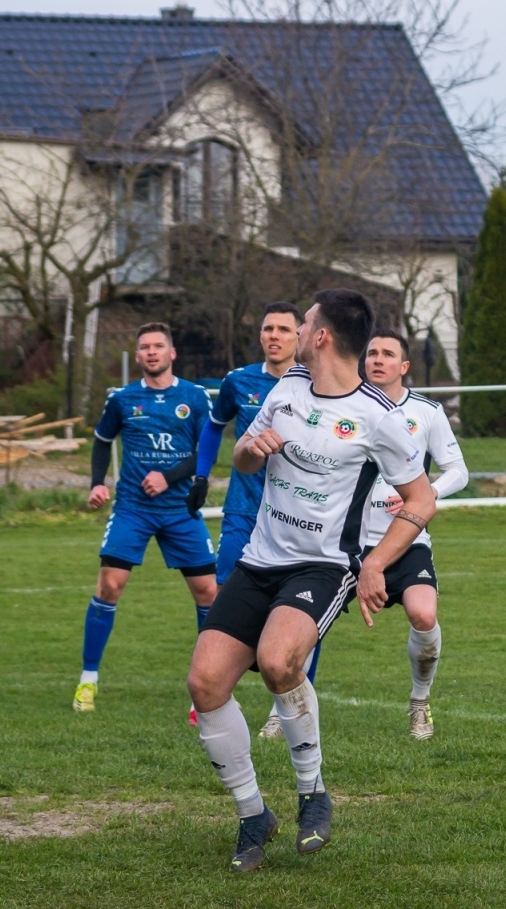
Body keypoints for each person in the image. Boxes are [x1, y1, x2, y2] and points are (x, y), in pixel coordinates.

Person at [187, 289, 436, 872]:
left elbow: (422, 501)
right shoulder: (288, 387)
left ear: (321, 335)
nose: (296, 330)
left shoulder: (380, 417)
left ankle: (312, 792)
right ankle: (253, 815)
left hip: (323, 566)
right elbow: (247, 461)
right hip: (259, 558)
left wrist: (374, 563)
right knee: (204, 683)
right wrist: (250, 447)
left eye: (304, 322)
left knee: (278, 661)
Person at [189, 302, 315, 739]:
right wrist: (202, 475)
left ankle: (289, 705)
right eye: (267, 328)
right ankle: (210, 686)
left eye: (283, 328)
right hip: (244, 510)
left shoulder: (315, 385)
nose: (274, 335)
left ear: (300, 334)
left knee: (303, 608)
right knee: (221, 590)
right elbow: (213, 426)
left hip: (297, 515)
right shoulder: (238, 382)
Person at [77, 323, 216, 713]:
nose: (152, 352)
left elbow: (206, 450)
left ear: (172, 353)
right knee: (110, 585)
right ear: (137, 357)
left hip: (179, 510)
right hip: (133, 510)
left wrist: (169, 476)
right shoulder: (122, 399)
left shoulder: (194, 397)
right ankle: (88, 681)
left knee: (208, 593)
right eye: (144, 347)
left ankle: (207, 688)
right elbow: (103, 441)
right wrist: (97, 483)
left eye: (158, 346)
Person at [356, 329, 468, 739]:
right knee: (305, 625)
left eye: (388, 354)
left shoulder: (426, 412)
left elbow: (459, 470)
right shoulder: (344, 409)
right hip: (347, 540)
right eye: (371, 353)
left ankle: (420, 701)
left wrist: (424, 496)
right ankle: (284, 707)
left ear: (404, 366)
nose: (377, 360)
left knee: (424, 614)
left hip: (407, 538)